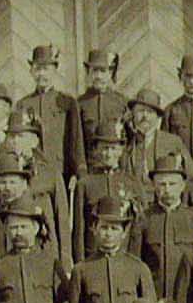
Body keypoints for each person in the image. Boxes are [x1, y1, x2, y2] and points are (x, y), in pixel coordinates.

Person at [136, 151, 193, 303]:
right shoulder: (143, 220)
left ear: (182, 186)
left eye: (172, 184)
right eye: (162, 184)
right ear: (154, 186)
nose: (167, 189)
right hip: (154, 299)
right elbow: (135, 264)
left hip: (189, 300)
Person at [0, 149, 62, 269]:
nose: (7, 188)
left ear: (24, 184)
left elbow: (51, 254)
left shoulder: (37, 217)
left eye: (12, 182)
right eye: (2, 182)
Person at [69, 118, 141, 262]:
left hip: (125, 256)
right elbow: (79, 230)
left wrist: (135, 259)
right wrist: (80, 262)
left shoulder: (132, 183)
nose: (108, 154)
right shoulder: (85, 184)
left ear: (121, 150)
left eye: (113, 148)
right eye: (104, 148)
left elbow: (138, 227)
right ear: (95, 150)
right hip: (93, 257)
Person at [17, 44, 82, 180]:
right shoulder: (24, 104)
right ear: (31, 72)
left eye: (45, 69)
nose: (41, 74)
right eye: (37, 69)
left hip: (61, 171)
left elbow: (76, 141)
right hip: (34, 173)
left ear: (54, 71)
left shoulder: (67, 102)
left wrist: (77, 172)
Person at [74, 50, 130, 176]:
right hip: (91, 169)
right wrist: (81, 171)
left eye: (102, 71)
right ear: (88, 73)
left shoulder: (121, 103)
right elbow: (77, 141)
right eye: (94, 71)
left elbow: (128, 140)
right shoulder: (80, 104)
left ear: (110, 73)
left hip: (117, 169)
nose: (98, 76)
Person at [123, 88, 192, 187]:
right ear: (133, 114)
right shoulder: (126, 144)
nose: (145, 116)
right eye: (140, 111)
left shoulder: (172, 142)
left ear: (157, 116)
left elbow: (191, 175)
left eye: (150, 112)